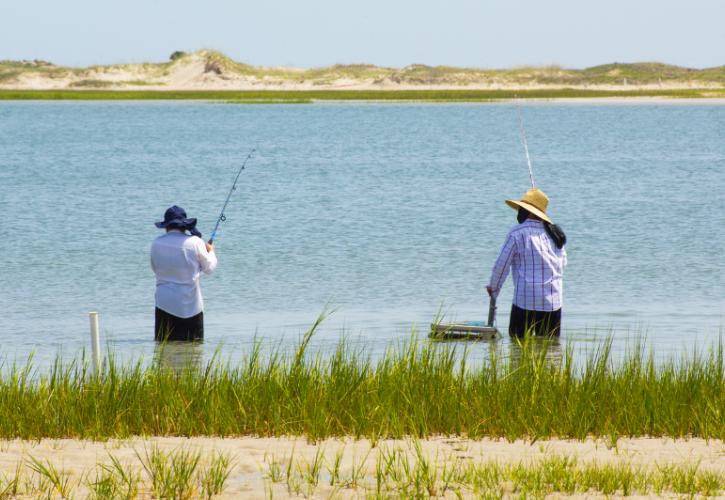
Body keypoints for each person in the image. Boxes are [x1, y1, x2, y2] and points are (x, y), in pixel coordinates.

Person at [486, 188, 567, 338]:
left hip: (524, 302)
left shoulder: (517, 233)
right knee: (550, 350)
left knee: (518, 347)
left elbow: (502, 265)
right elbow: (562, 265)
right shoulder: (556, 235)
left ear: (529, 212)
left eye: (522, 209)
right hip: (552, 303)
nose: (519, 212)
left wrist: (493, 288)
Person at [150, 205, 217, 341]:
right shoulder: (196, 242)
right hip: (192, 306)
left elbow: (155, 268)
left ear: (166, 226)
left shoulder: (156, 243)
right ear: (184, 226)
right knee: (194, 351)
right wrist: (211, 251)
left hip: (164, 304)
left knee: (165, 351)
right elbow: (209, 268)